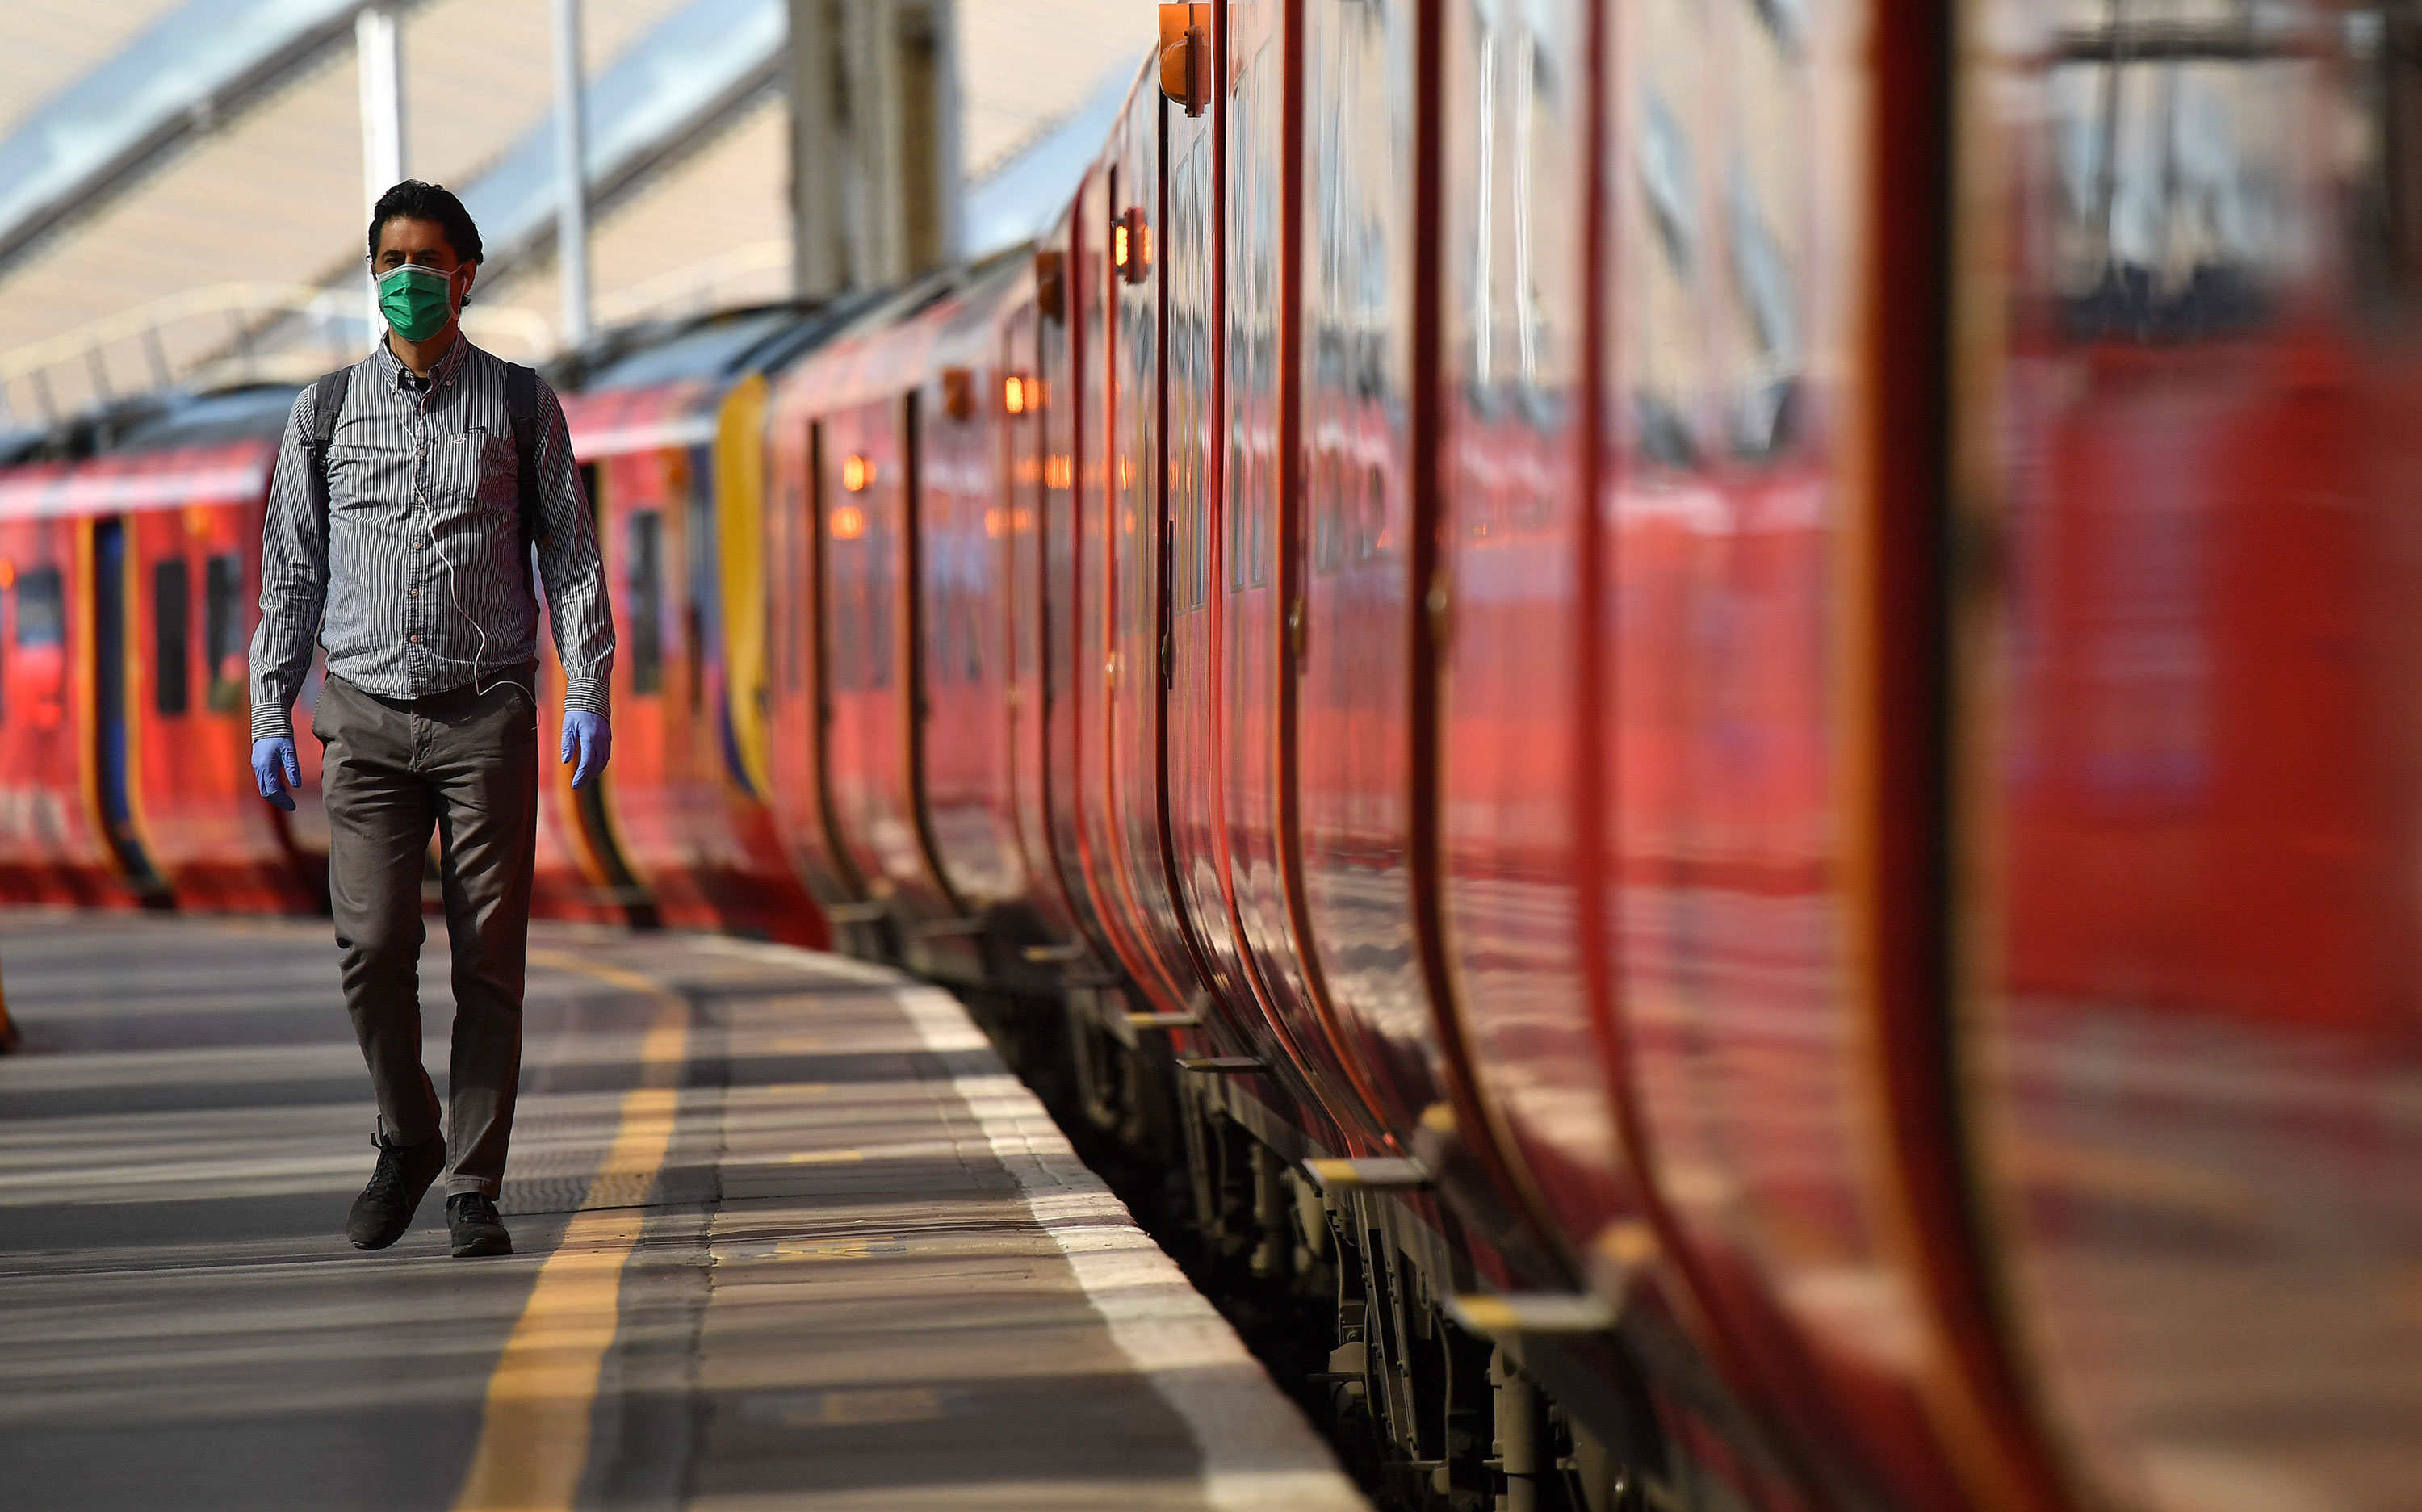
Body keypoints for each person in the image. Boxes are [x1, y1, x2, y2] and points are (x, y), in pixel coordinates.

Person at [249, 180, 614, 1259]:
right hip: (360, 717)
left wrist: (584, 683)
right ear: (374, 276)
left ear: (466, 273)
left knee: (488, 959)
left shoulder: (518, 405)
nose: (406, 278)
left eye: (427, 260)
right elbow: (290, 568)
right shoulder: (321, 416)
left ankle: (473, 1183)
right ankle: (408, 1131)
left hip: (485, 711)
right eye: (389, 260)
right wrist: (273, 702)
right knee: (371, 945)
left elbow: (573, 560)